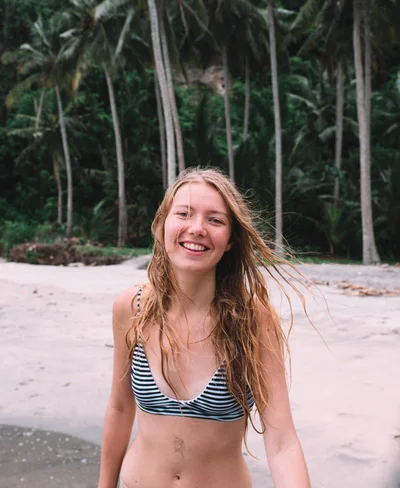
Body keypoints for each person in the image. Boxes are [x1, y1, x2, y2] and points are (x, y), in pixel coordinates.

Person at [97, 167, 311, 488]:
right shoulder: (132, 308)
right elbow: (119, 407)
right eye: (183, 213)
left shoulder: (252, 319)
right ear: (161, 225)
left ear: (229, 241)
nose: (196, 228)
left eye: (215, 220)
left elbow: (282, 443)